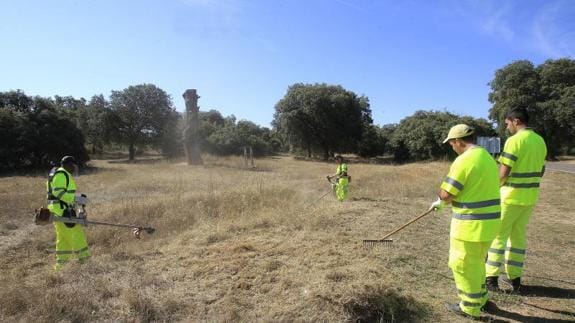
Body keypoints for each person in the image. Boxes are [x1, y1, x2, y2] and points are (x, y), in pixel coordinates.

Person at [430, 124, 501, 319]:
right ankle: (482, 299)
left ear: (458, 141)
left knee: (461, 265)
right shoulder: (486, 156)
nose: (451, 147)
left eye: (451, 143)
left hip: (470, 226)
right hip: (490, 224)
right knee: (477, 263)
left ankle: (469, 308)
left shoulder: (464, 161)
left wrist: (440, 201)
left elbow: (446, 194)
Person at [485, 108, 547, 292]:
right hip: (530, 197)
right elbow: (541, 170)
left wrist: (492, 189)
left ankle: (491, 280)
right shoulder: (539, 140)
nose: (507, 127)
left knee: (498, 237)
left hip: (510, 197)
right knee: (518, 239)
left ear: (516, 121)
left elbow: (503, 173)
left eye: (507, 123)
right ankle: (515, 280)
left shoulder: (514, 141)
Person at [47, 155, 90, 271]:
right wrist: (75, 199)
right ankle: (86, 263)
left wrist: (76, 198)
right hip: (62, 213)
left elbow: (62, 194)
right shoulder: (62, 174)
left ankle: (60, 267)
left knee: (63, 241)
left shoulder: (63, 174)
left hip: (59, 212)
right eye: (73, 166)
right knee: (77, 236)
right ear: (68, 165)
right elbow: (58, 193)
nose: (74, 168)